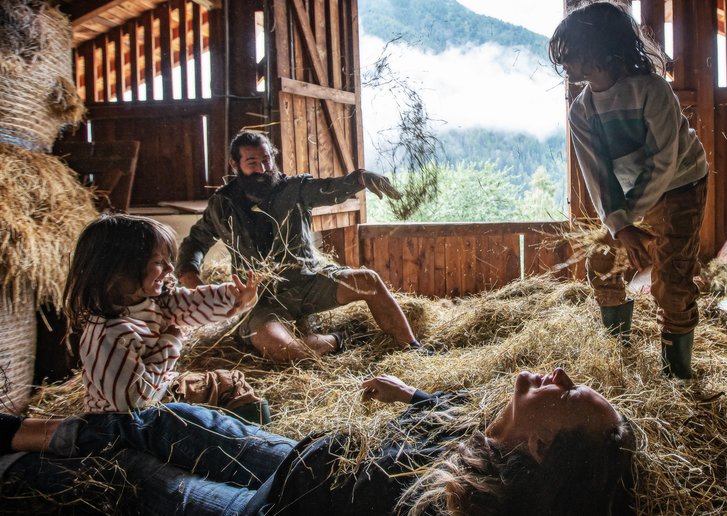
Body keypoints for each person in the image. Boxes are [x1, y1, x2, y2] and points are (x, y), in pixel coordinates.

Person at [0, 368, 636, 515]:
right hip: (299, 454)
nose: (561, 376)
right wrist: (409, 396)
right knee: (169, 422)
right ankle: (24, 432)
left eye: (572, 394)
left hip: (269, 509)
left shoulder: (446, 506)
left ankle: (12, 468)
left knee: (132, 473)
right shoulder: (478, 424)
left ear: (542, 449)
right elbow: (436, 409)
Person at [549, 1, 709, 379]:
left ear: (601, 48)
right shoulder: (581, 110)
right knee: (603, 260)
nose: (566, 65)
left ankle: (677, 375)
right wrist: (620, 226)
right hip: (638, 193)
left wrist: (628, 217)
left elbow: (663, 162)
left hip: (681, 183)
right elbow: (598, 177)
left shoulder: (651, 90)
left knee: (671, 281)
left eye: (572, 53)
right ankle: (618, 350)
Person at [176, 131, 429, 364]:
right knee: (287, 352)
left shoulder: (294, 189)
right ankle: (341, 339)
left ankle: (412, 349)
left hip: (307, 282)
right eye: (252, 163)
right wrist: (191, 277)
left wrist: (361, 178)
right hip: (260, 300)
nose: (263, 168)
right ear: (235, 165)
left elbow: (329, 189)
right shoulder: (222, 204)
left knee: (368, 280)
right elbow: (195, 242)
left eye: (267, 160)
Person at [63, 213, 268, 423]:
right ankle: (245, 445)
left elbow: (192, 303)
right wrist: (170, 343)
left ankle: (259, 442)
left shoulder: (150, 301)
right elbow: (131, 402)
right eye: (159, 262)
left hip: (163, 394)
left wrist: (234, 298)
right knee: (214, 405)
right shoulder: (110, 335)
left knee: (231, 384)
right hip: (129, 425)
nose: (170, 268)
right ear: (120, 270)